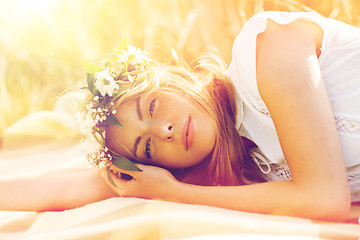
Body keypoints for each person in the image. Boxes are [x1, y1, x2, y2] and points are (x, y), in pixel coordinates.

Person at [1, 11, 359, 222]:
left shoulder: (266, 48)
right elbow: (74, 185)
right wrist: (165, 186)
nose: (165, 131)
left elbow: (324, 199)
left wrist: (176, 193)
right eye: (148, 147)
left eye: (153, 107)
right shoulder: (236, 162)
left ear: (173, 78)